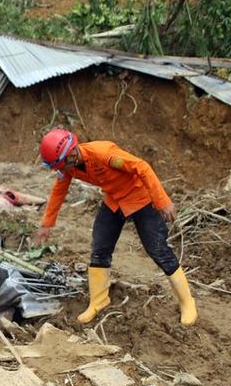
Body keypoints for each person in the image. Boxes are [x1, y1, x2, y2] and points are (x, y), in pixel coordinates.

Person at [33, 129, 197, 326]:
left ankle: (187, 302)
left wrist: (163, 201)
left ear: (71, 154)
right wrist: (46, 224)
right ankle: (99, 301)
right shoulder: (69, 166)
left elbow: (142, 167)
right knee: (100, 247)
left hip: (140, 198)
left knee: (157, 249)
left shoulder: (104, 154)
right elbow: (58, 190)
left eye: (61, 166)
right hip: (114, 200)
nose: (61, 171)